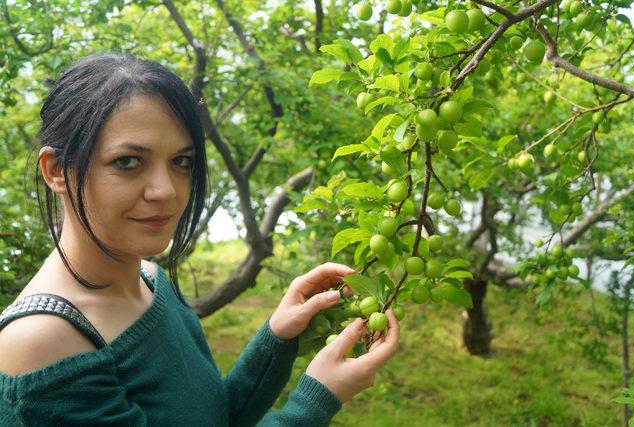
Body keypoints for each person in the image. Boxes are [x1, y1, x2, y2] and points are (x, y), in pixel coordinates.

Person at [0, 53, 399, 426]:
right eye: (127, 162)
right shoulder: (44, 343)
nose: (166, 191)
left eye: (181, 162)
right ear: (56, 171)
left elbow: (213, 415)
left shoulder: (150, 280)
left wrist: (277, 338)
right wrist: (316, 399)